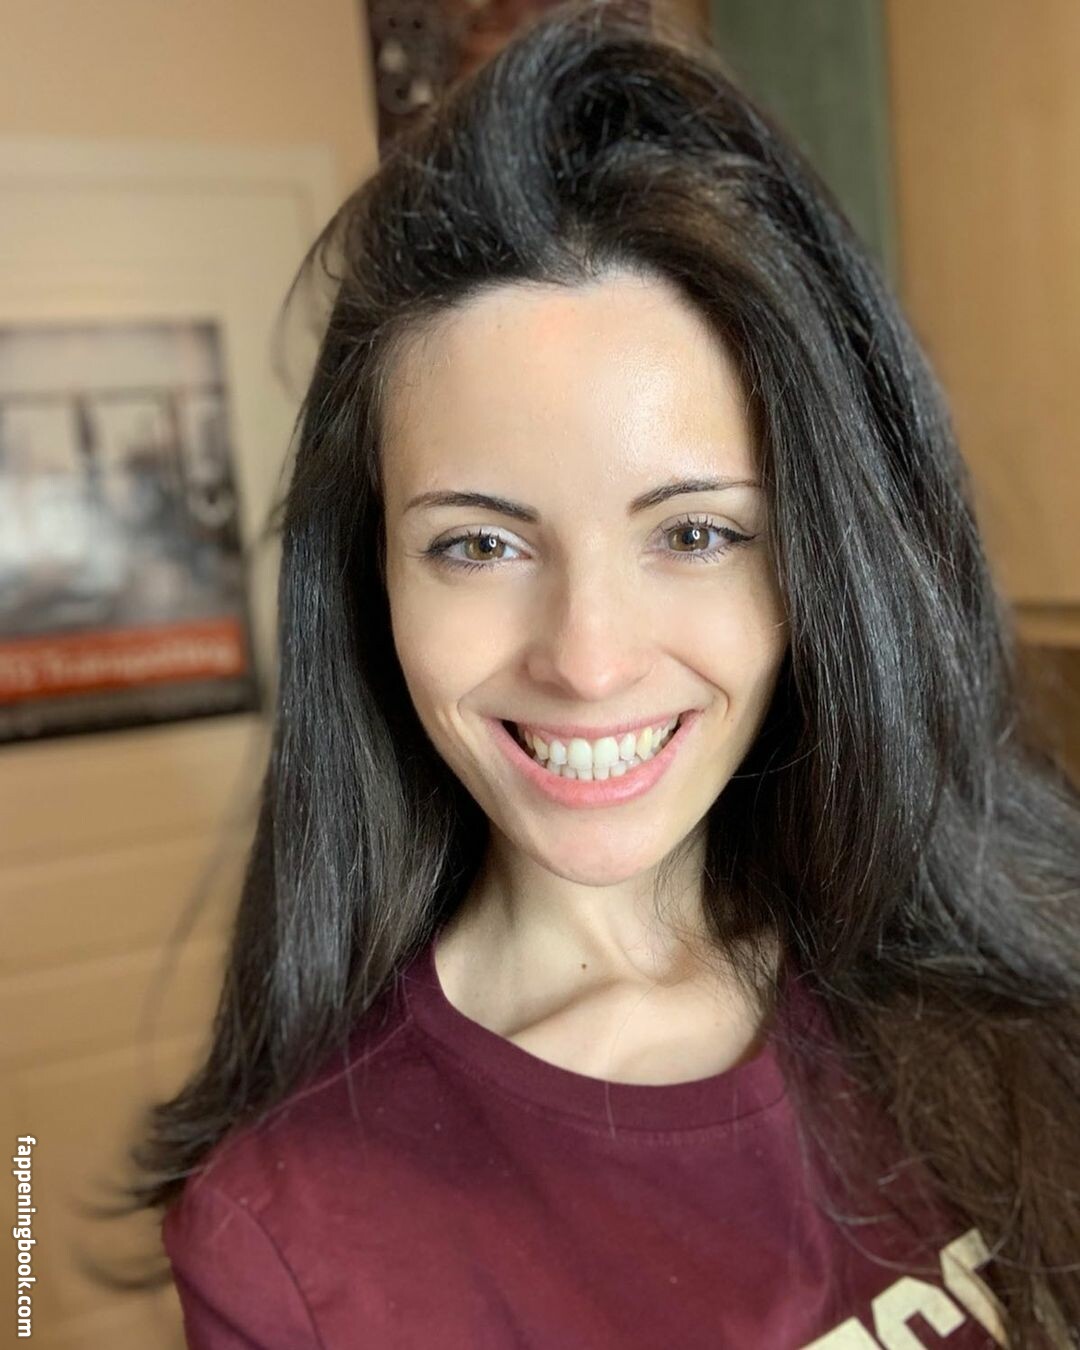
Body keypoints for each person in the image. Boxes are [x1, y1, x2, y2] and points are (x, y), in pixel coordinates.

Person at [130, 1, 1080, 1345]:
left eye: (694, 534)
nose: (586, 660)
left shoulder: (1021, 957)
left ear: (826, 555)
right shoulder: (294, 1238)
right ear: (371, 580)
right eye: (478, 543)